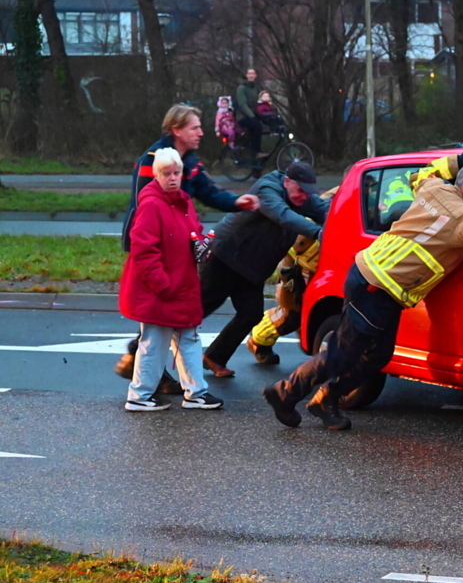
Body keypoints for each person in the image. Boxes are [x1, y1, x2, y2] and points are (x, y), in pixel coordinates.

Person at [262, 148, 463, 431]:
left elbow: (427, 171)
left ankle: (324, 399)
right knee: (344, 353)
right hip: (377, 285)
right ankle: (285, 393)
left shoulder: (434, 189)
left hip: (373, 279)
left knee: (379, 355)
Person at [114, 104, 259, 391]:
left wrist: (236, 202)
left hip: (179, 243)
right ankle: (143, 369)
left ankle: (155, 369)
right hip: (157, 243)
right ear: (176, 130)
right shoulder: (154, 159)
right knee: (161, 303)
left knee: (176, 304)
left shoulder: (189, 161)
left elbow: (207, 191)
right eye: (194, 127)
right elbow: (147, 204)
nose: (201, 132)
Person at [200, 161, 330, 377]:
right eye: (300, 190)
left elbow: (324, 208)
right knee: (196, 310)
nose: (304, 196)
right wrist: (319, 232)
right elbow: (283, 216)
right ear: (287, 182)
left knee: (250, 315)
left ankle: (214, 357)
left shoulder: (302, 196)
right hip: (224, 257)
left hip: (251, 267)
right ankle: (140, 351)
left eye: (308, 192)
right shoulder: (267, 189)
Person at [119, 148, 223, 412]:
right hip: (161, 289)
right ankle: (140, 396)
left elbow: (192, 233)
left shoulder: (182, 201)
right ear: (157, 175)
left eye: (177, 173)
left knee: (187, 337)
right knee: (155, 342)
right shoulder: (152, 204)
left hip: (178, 285)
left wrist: (201, 244)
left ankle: (195, 392)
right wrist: (162, 285)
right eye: (167, 174)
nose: (173, 178)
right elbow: (143, 250)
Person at [246, 185, 340, 365]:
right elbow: (302, 241)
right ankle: (258, 341)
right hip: (301, 265)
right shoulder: (335, 199)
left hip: (322, 265)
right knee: (291, 315)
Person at [235, 68, 263, 157]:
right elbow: (242, 104)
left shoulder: (256, 88)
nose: (251, 75)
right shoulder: (241, 88)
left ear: (255, 76)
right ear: (246, 76)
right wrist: (252, 116)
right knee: (257, 127)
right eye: (249, 74)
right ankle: (256, 152)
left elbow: (260, 101)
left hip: (253, 114)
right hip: (242, 116)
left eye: (253, 74)